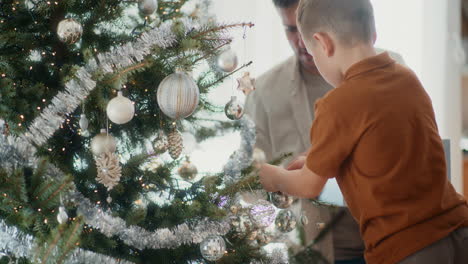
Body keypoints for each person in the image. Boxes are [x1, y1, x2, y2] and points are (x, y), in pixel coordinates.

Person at [258, 0, 468, 263]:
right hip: (457, 229)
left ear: (323, 44)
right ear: (373, 33)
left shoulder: (336, 104)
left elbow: (308, 185)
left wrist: (271, 176)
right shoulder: (406, 77)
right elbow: (384, 143)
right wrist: (316, 159)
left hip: (405, 247)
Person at [245, 0, 404, 263]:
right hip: (319, 255)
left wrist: (282, 176)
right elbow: (250, 188)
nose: (302, 41)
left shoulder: (392, 71)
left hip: (395, 246)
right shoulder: (263, 94)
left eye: (307, 28)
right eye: (291, 30)